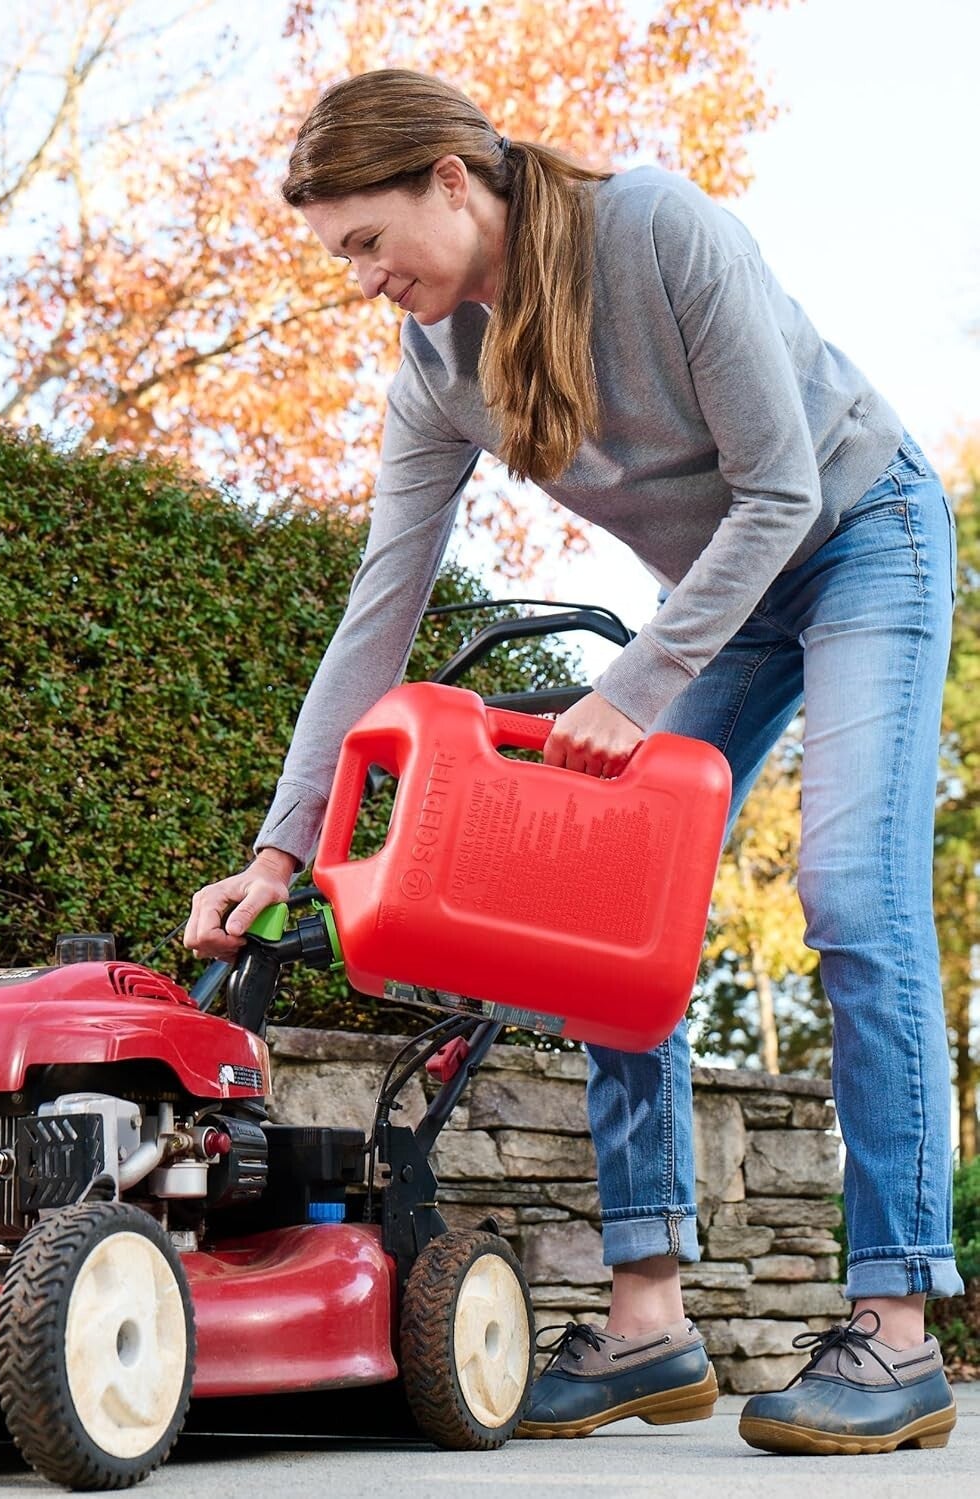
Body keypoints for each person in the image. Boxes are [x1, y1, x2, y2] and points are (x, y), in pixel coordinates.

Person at [183, 68, 961, 1454]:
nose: (361, 279)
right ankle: (651, 1322)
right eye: (340, 256)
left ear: (449, 179)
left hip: (860, 538)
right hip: (734, 597)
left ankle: (898, 1328)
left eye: (367, 241)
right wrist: (279, 846)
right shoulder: (439, 369)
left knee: (850, 892)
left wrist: (641, 681)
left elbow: (783, 492)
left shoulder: (656, 230)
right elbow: (382, 620)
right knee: (598, 910)